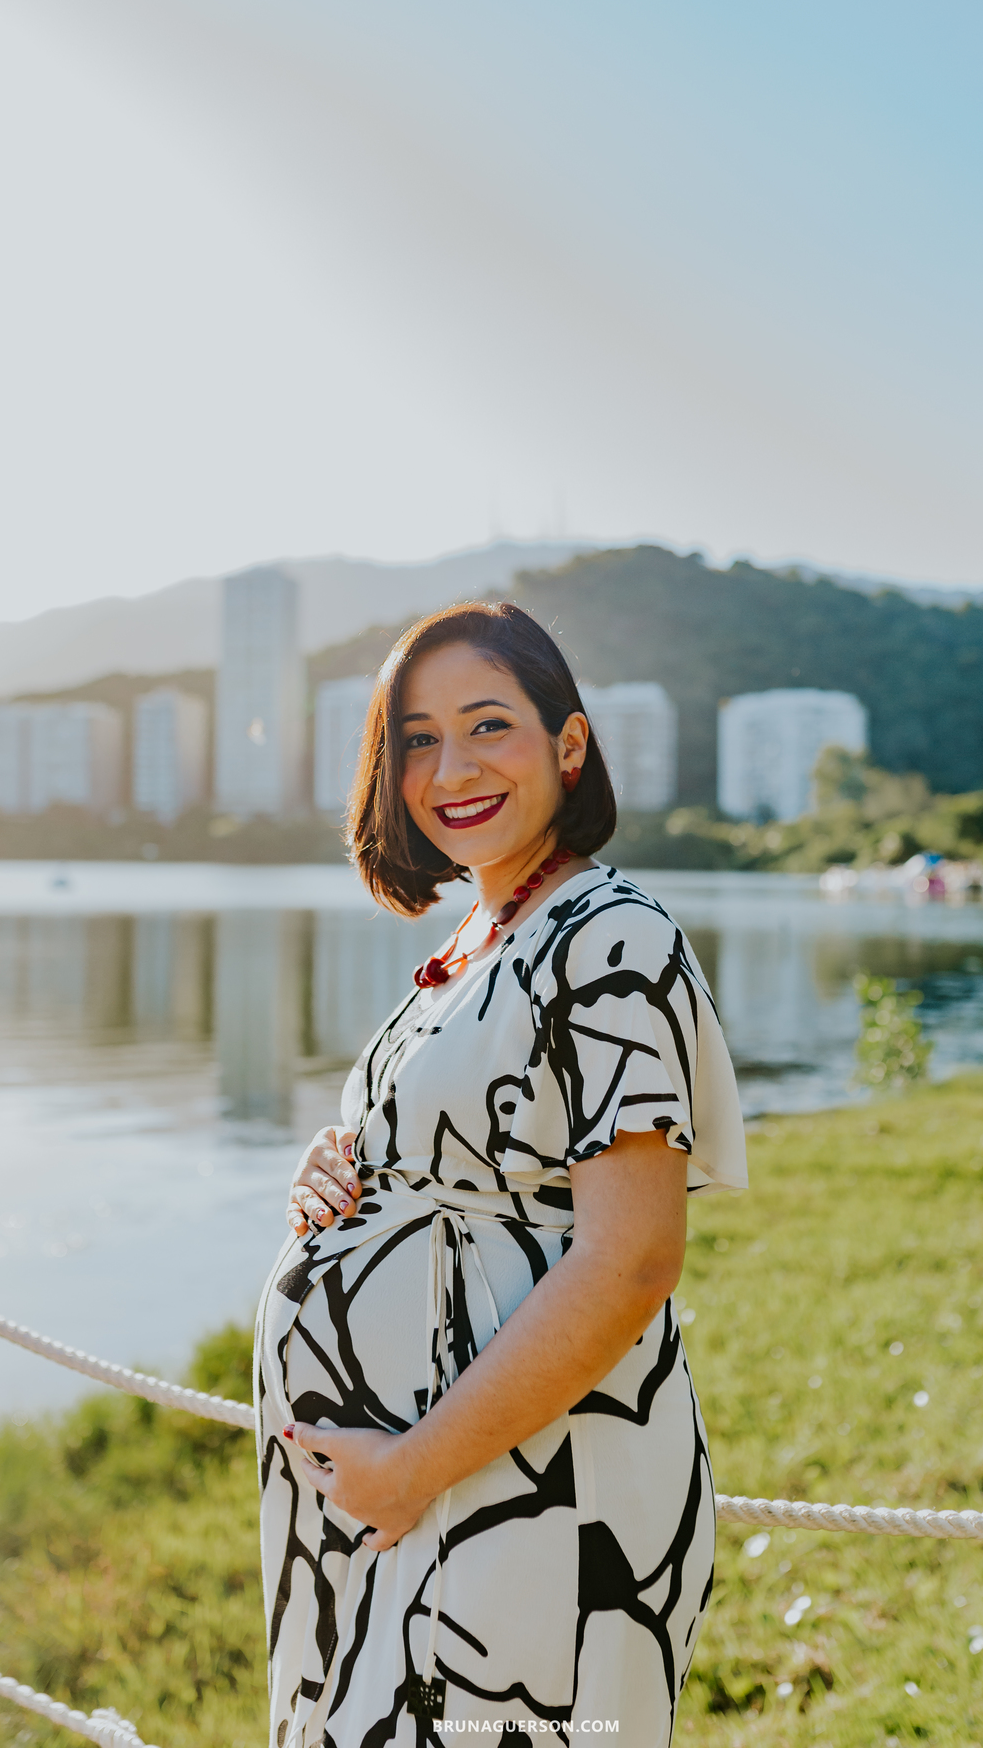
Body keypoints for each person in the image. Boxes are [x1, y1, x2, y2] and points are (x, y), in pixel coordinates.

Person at [254, 600, 747, 1748]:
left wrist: (413, 1467)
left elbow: (631, 1261)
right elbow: (463, 1153)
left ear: (568, 748)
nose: (452, 768)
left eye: (489, 727)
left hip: (522, 1488)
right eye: (419, 739)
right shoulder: (479, 937)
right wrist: (342, 1170)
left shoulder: (611, 934)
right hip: (407, 1501)